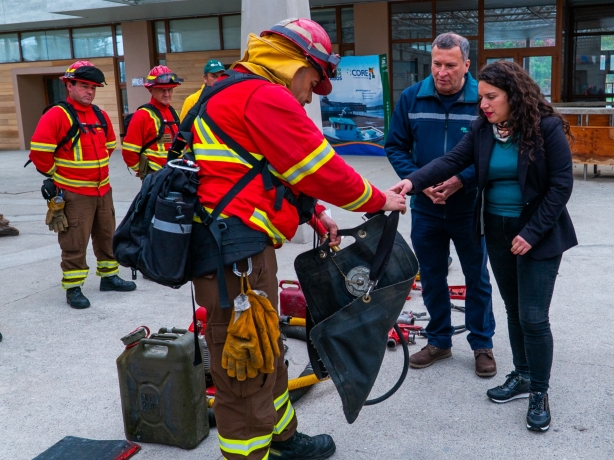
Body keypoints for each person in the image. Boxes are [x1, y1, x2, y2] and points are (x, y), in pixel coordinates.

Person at [189, 19, 406, 460]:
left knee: (268, 348)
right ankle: (250, 453)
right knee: (245, 365)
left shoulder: (221, 91)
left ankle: (285, 439)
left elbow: (265, 168)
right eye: (314, 80)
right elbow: (319, 168)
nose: (311, 94)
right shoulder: (264, 95)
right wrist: (379, 199)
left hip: (238, 250)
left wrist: (314, 212)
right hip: (233, 260)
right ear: (298, 64)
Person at [391, 60, 577, 432]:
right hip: (496, 230)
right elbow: (450, 161)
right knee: (512, 308)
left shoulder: (546, 128)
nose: (484, 105)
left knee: (533, 316)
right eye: (481, 98)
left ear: (515, 95)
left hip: (537, 233)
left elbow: (561, 185)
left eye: (492, 97)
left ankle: (539, 391)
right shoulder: (483, 129)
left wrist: (533, 231)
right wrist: (410, 183)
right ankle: (522, 375)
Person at [384, 32, 496, 377]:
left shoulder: (484, 100)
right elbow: (395, 147)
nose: (441, 71)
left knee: (476, 276)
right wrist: (421, 181)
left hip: (469, 207)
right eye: (436, 63)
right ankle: (439, 341)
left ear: (466, 65)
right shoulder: (412, 98)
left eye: (450, 65)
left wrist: (462, 179)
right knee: (431, 275)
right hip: (427, 208)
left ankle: (482, 344)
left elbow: (494, 152)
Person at [29, 61, 136, 309]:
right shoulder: (57, 114)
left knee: (107, 236)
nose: (90, 91)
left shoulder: (99, 114)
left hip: (102, 190)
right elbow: (40, 153)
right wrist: (58, 176)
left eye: (93, 88)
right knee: (74, 242)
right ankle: (73, 287)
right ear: (69, 85)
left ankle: (109, 277)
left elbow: (110, 145)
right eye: (84, 86)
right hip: (74, 194)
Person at [122, 65, 182, 178]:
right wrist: (144, 172)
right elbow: (129, 152)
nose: (167, 94)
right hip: (155, 176)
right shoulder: (142, 115)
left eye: (170, 90)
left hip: (176, 173)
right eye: (162, 90)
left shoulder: (173, 113)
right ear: (151, 90)